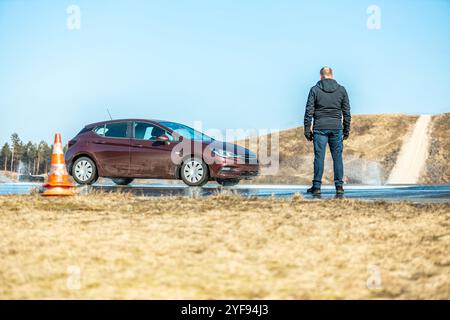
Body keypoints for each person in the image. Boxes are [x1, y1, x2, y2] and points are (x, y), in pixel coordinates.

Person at [304, 66, 351, 195]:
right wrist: (346, 130)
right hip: (336, 128)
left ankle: (317, 186)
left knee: (319, 157)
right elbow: (346, 112)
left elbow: (309, 111)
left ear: (321, 76)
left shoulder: (314, 90)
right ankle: (339, 186)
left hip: (320, 128)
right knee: (337, 158)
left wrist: (307, 130)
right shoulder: (341, 90)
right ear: (332, 75)